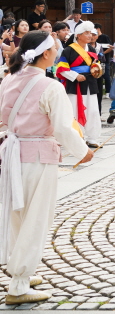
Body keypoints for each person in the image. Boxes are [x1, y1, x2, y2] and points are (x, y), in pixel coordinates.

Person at [0, 31, 93, 305]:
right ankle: (18, 284)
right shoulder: (51, 86)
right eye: (54, 48)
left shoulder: (9, 79)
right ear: (45, 54)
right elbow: (63, 127)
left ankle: (21, 273)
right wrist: (83, 151)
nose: (57, 51)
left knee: (17, 215)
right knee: (36, 218)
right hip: (38, 156)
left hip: (11, 153)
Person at [54, 21, 100, 148]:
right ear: (78, 35)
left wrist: (97, 70)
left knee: (93, 110)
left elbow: (95, 64)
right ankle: (77, 137)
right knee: (75, 110)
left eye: (91, 33)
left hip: (90, 82)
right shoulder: (68, 50)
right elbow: (61, 68)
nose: (90, 36)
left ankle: (92, 137)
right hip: (75, 84)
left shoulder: (91, 49)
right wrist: (75, 76)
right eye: (87, 33)